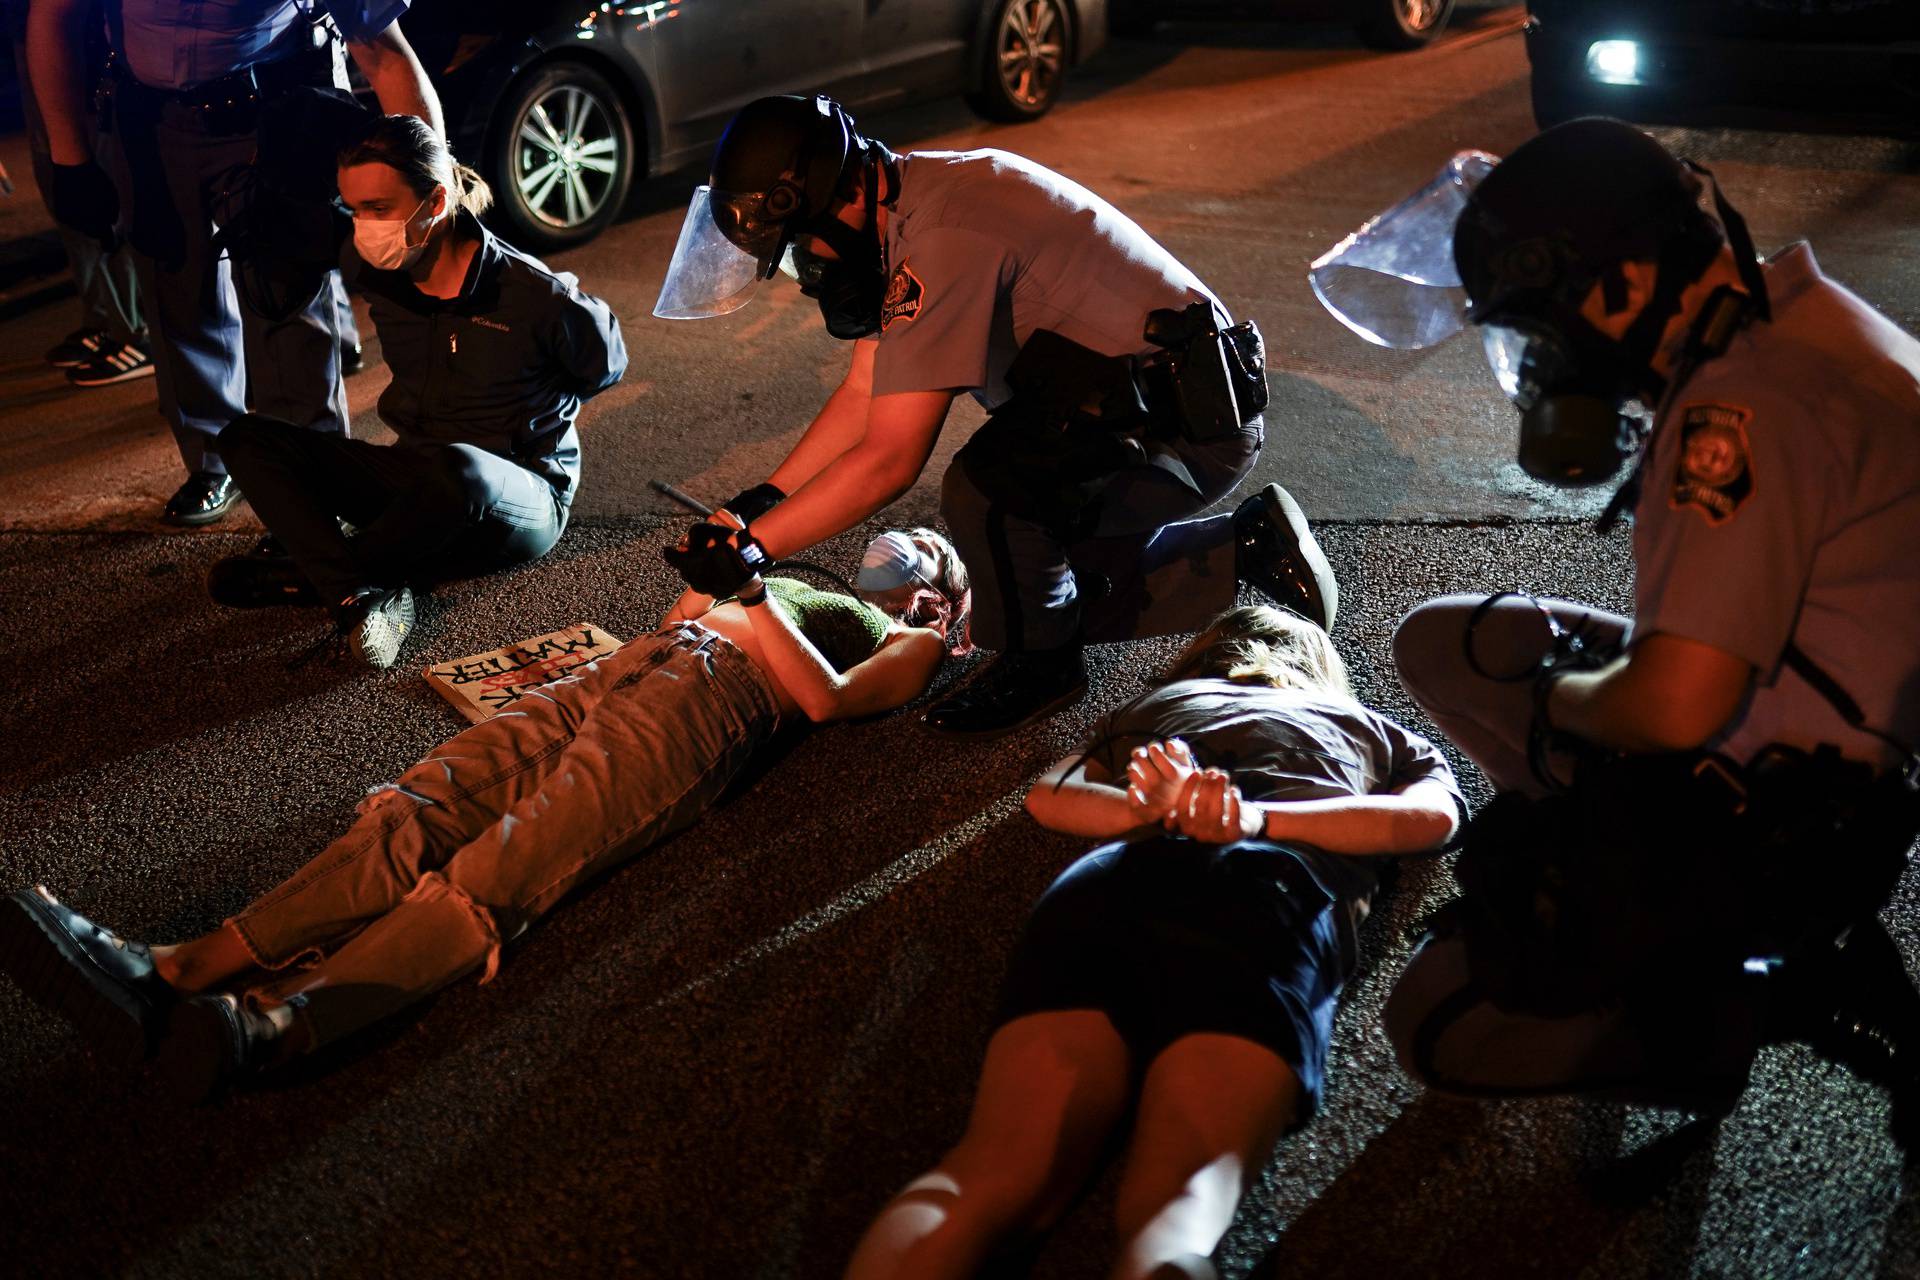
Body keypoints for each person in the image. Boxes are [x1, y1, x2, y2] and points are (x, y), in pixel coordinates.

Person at [1308, 120, 1920, 1103]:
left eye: (1541, 327)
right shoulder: (1801, 318)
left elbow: (1673, 709)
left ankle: (1732, 1008)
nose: (1548, 365)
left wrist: (1566, 702)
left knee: (1433, 1023)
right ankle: (1590, 869)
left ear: (1625, 282)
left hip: (1776, 809)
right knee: (1448, 641)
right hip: (1800, 707)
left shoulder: (1741, 407)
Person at [0, 529, 971, 1101]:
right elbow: (690, 610)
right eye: (909, 532)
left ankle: (278, 1024)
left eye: (933, 551)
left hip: (718, 703)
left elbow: (826, 699)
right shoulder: (812, 579)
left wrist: (756, 595)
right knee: (420, 802)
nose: (911, 543)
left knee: (507, 861)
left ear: (945, 602)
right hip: (633, 663)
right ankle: (176, 964)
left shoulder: (907, 637)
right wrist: (722, 570)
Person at [652, 93, 1337, 737]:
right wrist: (763, 501)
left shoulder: (942, 237)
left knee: (989, 503)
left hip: (1185, 435)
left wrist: (754, 550)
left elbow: (890, 459)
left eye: (804, 240)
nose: (810, 263)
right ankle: (1247, 546)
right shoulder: (911, 199)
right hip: (1143, 407)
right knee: (1023, 573)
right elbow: (865, 392)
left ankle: (1043, 671)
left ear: (845, 197)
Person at [845, 604, 1462, 1279]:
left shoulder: (1154, 707)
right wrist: (1252, 818)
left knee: (988, 1177)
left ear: (1202, 656)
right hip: (1267, 894)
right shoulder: (1375, 729)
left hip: (1113, 882)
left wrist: (1153, 809)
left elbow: (1049, 797)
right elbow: (1432, 819)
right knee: (1183, 1199)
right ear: (1321, 671)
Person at [206, 114, 628, 670]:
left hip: (516, 497)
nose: (363, 227)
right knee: (246, 437)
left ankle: (325, 577)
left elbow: (604, 367)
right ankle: (358, 590)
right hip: (416, 479)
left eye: (379, 209)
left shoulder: (537, 296)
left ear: (434, 203)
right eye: (354, 209)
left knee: (461, 469)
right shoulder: (377, 267)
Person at [26, 0, 440, 524]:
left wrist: (432, 185)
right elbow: (52, 15)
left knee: (287, 298)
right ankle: (213, 461)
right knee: (176, 290)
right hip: (149, 118)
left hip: (275, 108)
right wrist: (71, 159)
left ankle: (312, 480)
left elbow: (384, 53)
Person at [4, 0, 150, 387]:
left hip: (85, 38)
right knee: (62, 190)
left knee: (104, 191)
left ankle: (136, 330)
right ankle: (104, 318)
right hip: (32, 31)